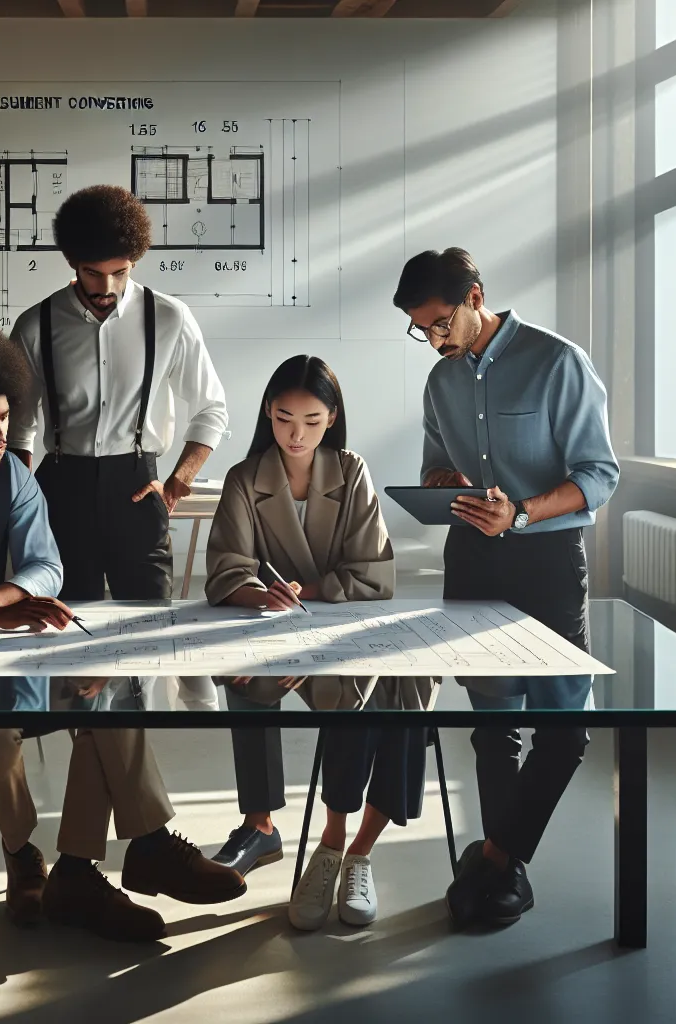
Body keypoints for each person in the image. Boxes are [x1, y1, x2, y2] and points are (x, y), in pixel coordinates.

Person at [0, 327, 246, 943]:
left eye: (4, 417)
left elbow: (46, 565)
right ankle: (26, 855)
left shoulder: (14, 478)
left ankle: (103, 860)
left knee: (103, 696)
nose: (0, 433)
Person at [393, 248, 620, 930]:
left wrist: (520, 512)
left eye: (440, 323)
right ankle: (504, 874)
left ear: (475, 296)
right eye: (421, 330)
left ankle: (495, 855)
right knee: (493, 728)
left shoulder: (558, 362)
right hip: (472, 560)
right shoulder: (441, 381)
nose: (434, 339)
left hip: (547, 560)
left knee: (565, 730)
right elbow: (437, 463)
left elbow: (600, 475)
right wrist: (440, 483)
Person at [206, 355, 439, 931]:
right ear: (268, 411)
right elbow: (227, 570)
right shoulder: (244, 478)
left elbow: (373, 576)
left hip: (344, 629)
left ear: (332, 418)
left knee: (401, 685)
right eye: (285, 418)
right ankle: (260, 825)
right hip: (271, 630)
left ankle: (349, 849)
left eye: (312, 421)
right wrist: (264, 599)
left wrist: (303, 595)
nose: (296, 434)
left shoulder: (352, 471)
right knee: (242, 676)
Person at [8, 183, 228, 599]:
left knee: (150, 618)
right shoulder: (36, 325)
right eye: (93, 272)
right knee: (64, 617)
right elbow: (18, 430)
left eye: (120, 272)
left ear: (134, 261)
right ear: (73, 263)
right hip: (62, 489)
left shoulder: (170, 318)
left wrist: (177, 483)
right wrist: (21, 500)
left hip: (137, 486)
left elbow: (211, 409)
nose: (106, 287)